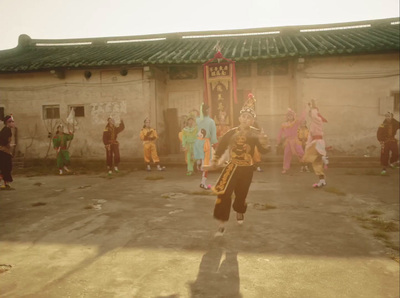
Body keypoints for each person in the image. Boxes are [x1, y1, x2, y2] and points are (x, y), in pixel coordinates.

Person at [208, 94, 271, 236]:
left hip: (247, 169)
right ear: (239, 118)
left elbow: (263, 150)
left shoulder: (256, 134)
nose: (246, 119)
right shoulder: (231, 133)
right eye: (244, 116)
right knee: (223, 193)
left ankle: (240, 210)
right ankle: (222, 224)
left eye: (249, 117)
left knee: (241, 195)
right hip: (231, 167)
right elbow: (221, 146)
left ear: (253, 121)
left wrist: (265, 142)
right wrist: (215, 159)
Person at [301, 99, 329, 188]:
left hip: (318, 142)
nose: (310, 115)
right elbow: (310, 137)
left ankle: (324, 157)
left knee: (316, 156)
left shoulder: (318, 120)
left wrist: (312, 107)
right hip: (314, 143)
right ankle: (322, 180)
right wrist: (307, 146)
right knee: (316, 163)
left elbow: (314, 115)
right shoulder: (312, 124)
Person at [194, 103, 217, 189]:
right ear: (207, 110)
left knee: (202, 160)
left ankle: (198, 163)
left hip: (198, 141)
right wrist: (214, 143)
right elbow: (213, 136)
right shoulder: (211, 121)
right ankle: (203, 182)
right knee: (206, 163)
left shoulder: (197, 120)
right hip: (206, 143)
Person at [276, 108, 307, 174]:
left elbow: (302, 118)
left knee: (301, 152)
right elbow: (280, 133)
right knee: (287, 154)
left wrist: (305, 109)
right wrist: (278, 141)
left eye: (291, 115)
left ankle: (305, 164)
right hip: (288, 141)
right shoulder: (284, 124)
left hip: (295, 140)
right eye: (288, 116)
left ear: (294, 116)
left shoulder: (296, 122)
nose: (290, 117)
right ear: (287, 117)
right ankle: (285, 168)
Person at [0, 115, 16, 189]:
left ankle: (6, 183)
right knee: (5, 167)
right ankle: (5, 183)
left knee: (7, 168)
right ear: (7, 123)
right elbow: (3, 140)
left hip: (5, 151)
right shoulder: (6, 130)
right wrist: (8, 145)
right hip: (3, 151)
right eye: (12, 122)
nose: (13, 123)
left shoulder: (7, 130)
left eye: (13, 121)